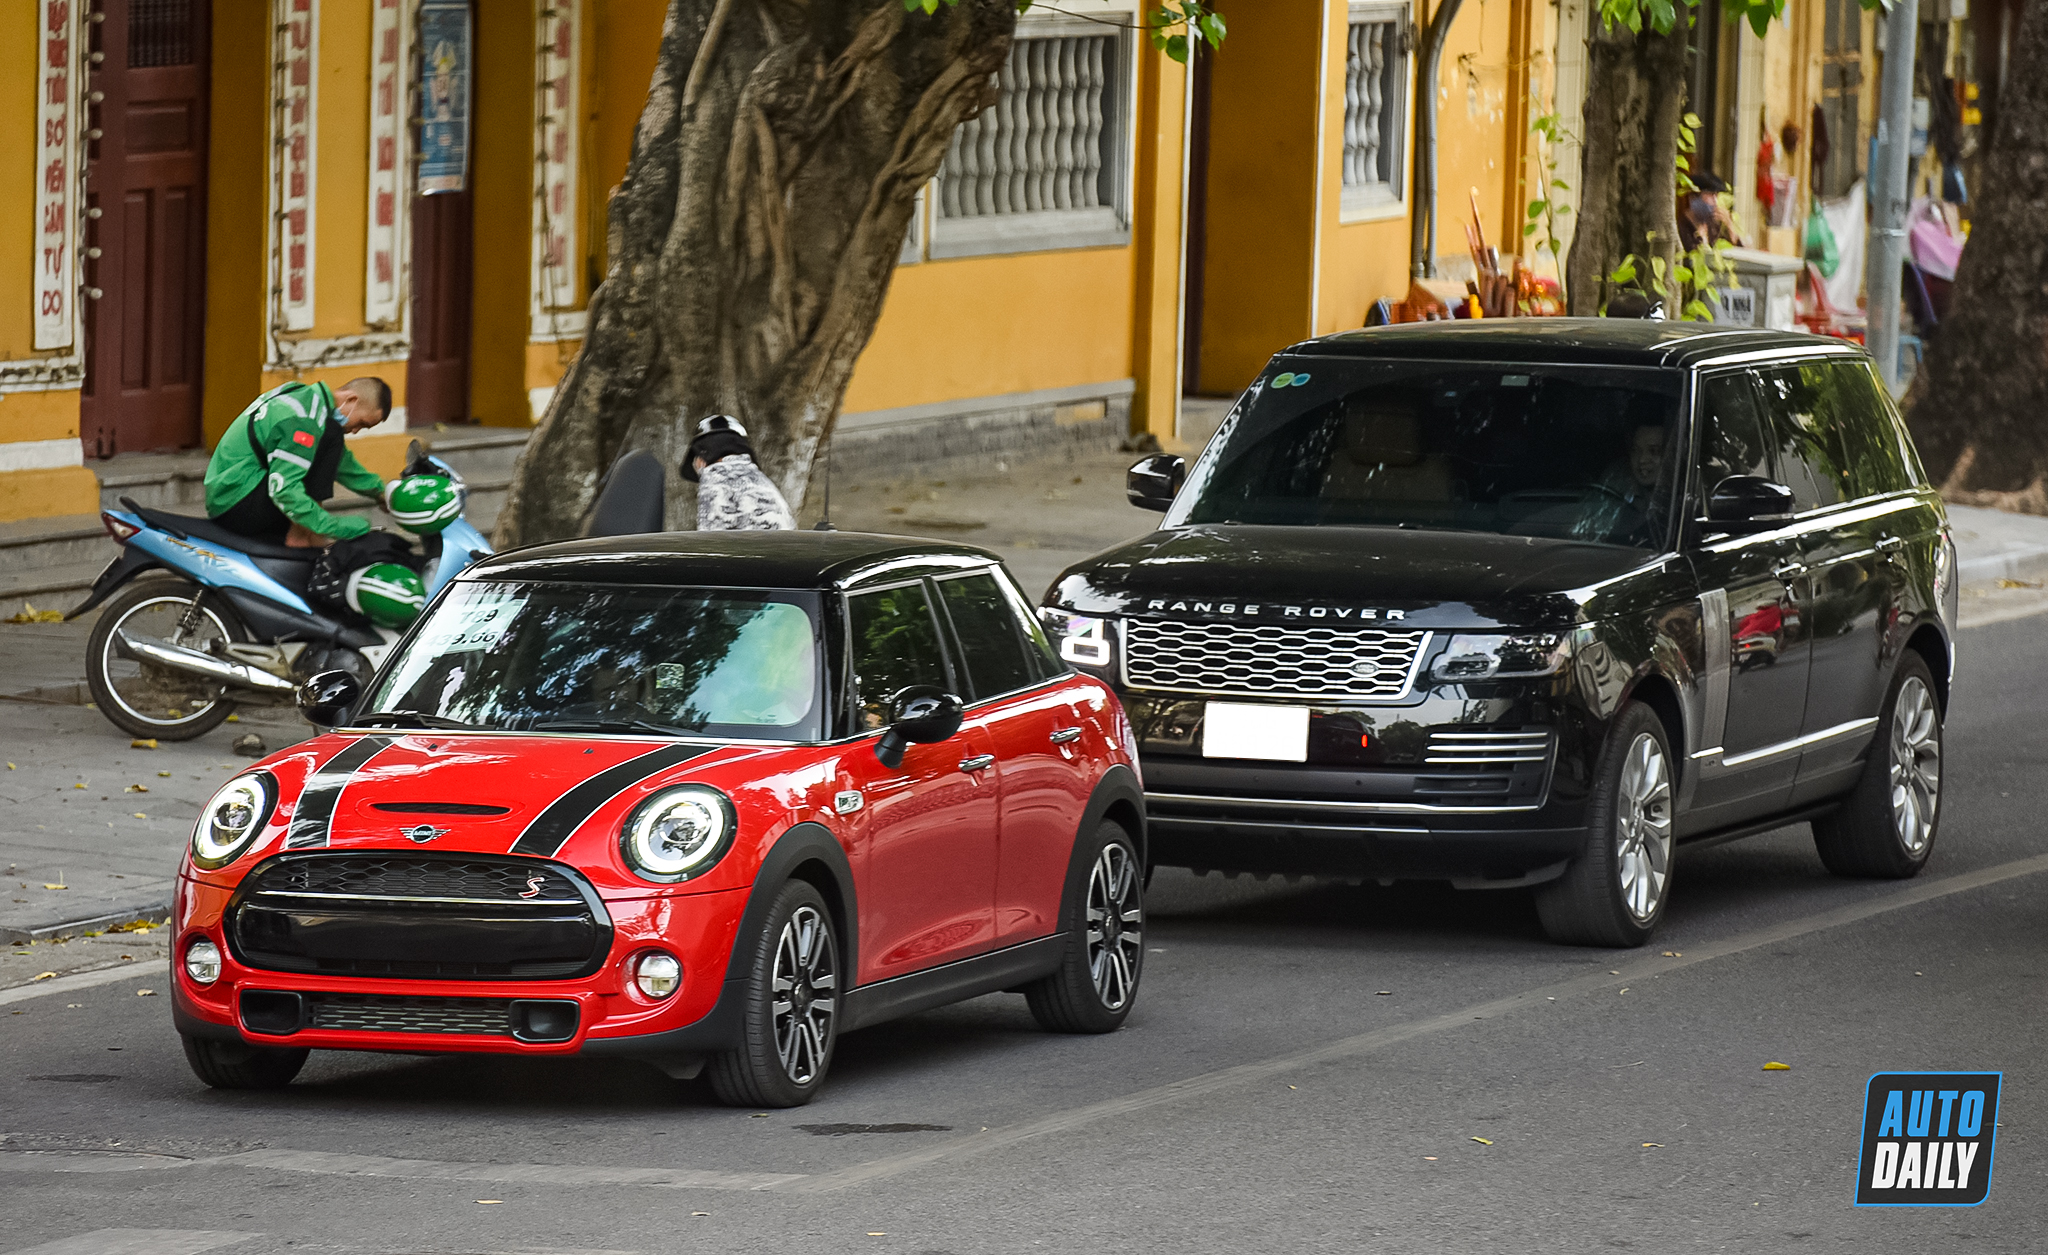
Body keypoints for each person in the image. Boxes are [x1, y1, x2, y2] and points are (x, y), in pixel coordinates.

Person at [204, 377, 395, 548]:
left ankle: (306, 533)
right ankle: (303, 537)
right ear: (351, 400)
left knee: (329, 435)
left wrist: (379, 492)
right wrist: (332, 527)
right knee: (332, 433)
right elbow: (284, 490)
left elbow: (343, 464)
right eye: (361, 423)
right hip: (236, 502)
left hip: (227, 493)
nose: (355, 431)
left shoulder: (303, 397)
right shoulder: (305, 419)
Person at [681, 415, 796, 531]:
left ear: (701, 458)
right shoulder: (759, 478)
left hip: (748, 547)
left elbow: (711, 535)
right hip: (783, 546)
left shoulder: (715, 477)